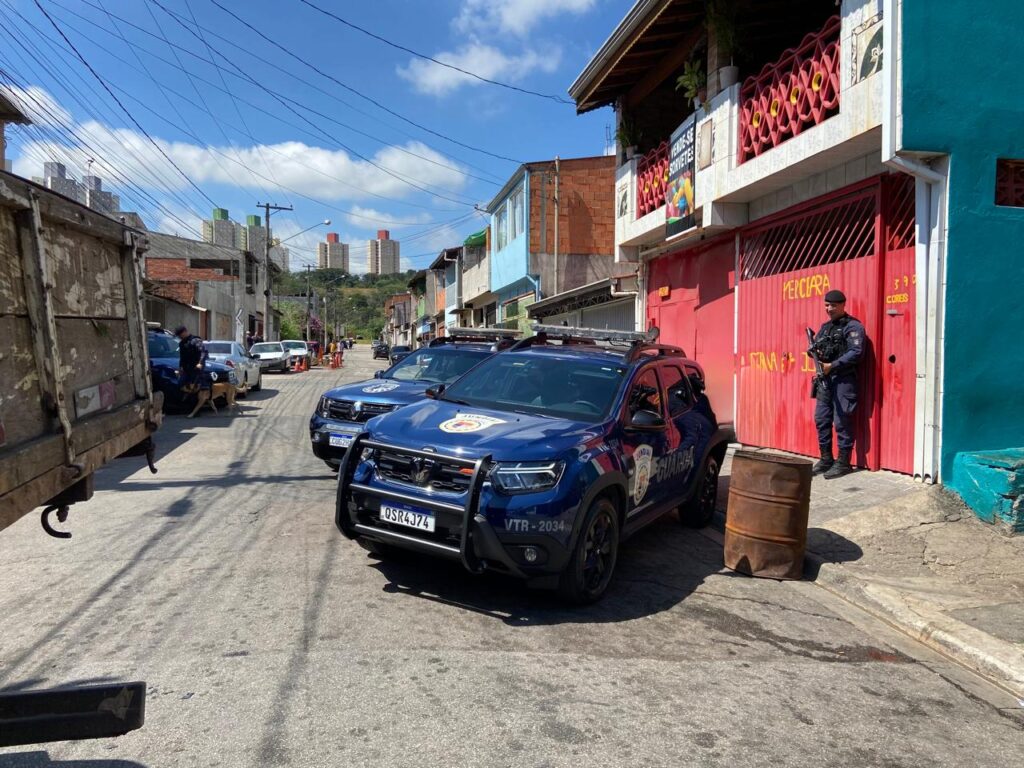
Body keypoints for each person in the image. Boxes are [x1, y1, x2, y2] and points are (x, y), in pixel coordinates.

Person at [809, 290, 865, 479]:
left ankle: (843, 463)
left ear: (843, 305)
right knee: (822, 419)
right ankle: (826, 459)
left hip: (843, 380)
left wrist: (832, 365)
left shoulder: (853, 326)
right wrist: (814, 352)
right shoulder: (825, 328)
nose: (829, 309)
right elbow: (817, 347)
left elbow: (856, 352)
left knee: (842, 420)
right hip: (825, 381)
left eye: (833, 305)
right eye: (826, 305)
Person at [175, 325, 208, 389]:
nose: (179, 337)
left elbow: (203, 352)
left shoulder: (195, 340)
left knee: (195, 388)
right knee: (180, 385)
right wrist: (180, 367)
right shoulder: (182, 343)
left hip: (196, 369)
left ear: (184, 332)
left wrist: (200, 363)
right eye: (178, 335)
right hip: (186, 370)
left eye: (180, 334)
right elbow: (182, 357)